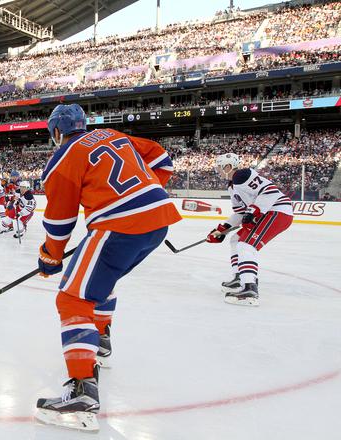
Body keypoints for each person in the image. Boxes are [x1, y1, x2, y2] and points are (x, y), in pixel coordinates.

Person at [35, 104, 181, 431]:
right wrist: (141, 192)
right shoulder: (113, 135)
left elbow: (60, 223)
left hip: (120, 225)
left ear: (56, 131)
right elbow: (161, 158)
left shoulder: (62, 158)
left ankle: (82, 392)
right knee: (103, 279)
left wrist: (50, 257)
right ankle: (100, 339)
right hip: (158, 220)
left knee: (72, 299)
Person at [207, 153, 293, 306]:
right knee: (236, 240)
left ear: (228, 167)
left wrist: (254, 210)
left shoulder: (242, 175)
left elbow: (270, 192)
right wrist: (222, 230)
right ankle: (240, 276)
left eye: (220, 167)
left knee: (246, 245)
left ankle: (250, 289)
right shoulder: (232, 185)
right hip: (267, 212)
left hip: (278, 210)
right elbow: (241, 213)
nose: (218, 171)